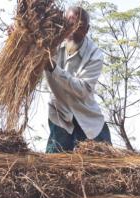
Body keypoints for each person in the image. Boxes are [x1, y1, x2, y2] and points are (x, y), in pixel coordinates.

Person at [43, 6, 111, 152]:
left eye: (79, 27)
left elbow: (83, 90)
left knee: (104, 164)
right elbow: (30, 57)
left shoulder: (94, 54)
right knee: (54, 166)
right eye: (69, 24)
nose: (73, 30)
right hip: (60, 115)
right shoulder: (50, 45)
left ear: (87, 29)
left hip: (87, 118)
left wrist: (54, 69)